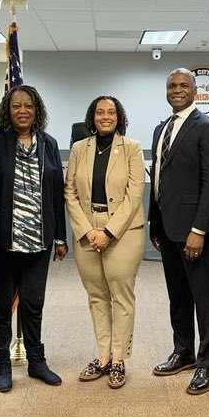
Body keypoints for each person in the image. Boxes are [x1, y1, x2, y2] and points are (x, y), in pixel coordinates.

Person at [149, 69, 209, 395]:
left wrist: (199, 229)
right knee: (178, 297)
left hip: (194, 230)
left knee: (203, 299)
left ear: (196, 91)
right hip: (167, 229)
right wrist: (155, 221)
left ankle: (207, 364)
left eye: (184, 85)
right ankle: (183, 352)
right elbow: (158, 180)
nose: (177, 90)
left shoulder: (208, 129)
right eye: (172, 85)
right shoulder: (160, 128)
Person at [0, 85, 67, 392]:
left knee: (33, 304)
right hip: (4, 240)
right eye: (17, 105)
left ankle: (36, 362)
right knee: (3, 306)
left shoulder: (48, 143)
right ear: (8, 109)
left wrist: (60, 236)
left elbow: (56, 194)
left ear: (37, 110)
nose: (23, 110)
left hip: (38, 240)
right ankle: (3, 366)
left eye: (29, 106)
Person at [65, 96, 146, 389]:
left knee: (121, 296)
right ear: (92, 117)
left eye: (111, 112)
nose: (105, 117)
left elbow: (134, 195)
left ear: (118, 116)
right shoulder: (78, 148)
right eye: (100, 112)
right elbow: (70, 193)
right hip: (86, 229)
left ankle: (119, 359)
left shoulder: (132, 148)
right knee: (96, 296)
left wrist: (108, 232)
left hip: (123, 231)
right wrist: (87, 231)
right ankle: (103, 358)